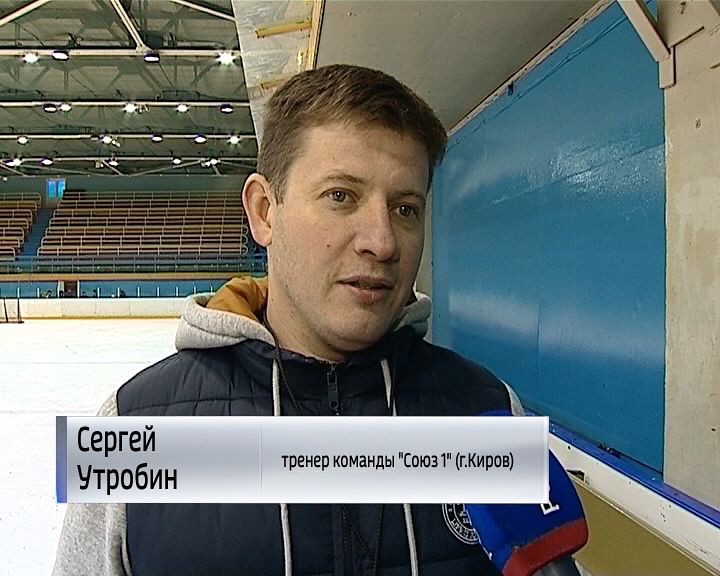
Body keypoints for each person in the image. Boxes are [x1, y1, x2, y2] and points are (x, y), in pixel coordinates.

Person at [53, 64, 524, 576]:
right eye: (341, 196)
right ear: (264, 212)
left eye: (405, 208)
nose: (382, 241)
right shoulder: (126, 428)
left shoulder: (492, 414)